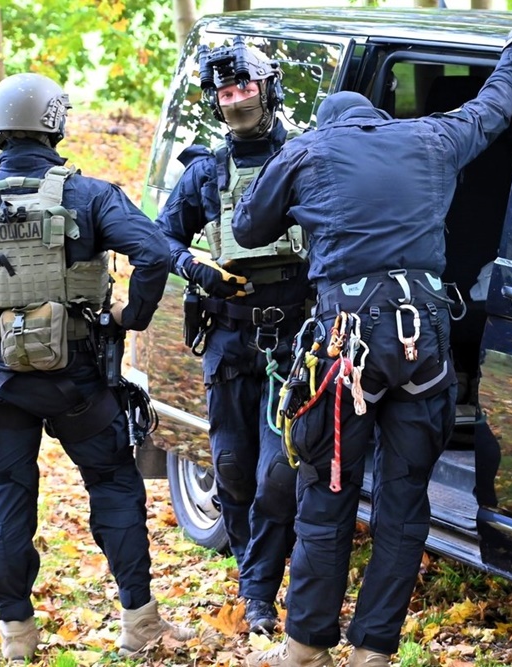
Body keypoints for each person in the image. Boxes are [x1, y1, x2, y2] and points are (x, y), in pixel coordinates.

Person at [233, 16, 512, 667]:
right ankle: (373, 652)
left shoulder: (306, 151)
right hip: (424, 347)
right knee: (405, 506)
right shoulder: (431, 137)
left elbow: (246, 228)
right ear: (378, 117)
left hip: (343, 349)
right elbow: (494, 109)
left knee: (327, 497)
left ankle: (305, 646)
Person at [0, 72, 190, 662]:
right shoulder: (89, 195)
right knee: (114, 484)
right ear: (55, 122)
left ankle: (17, 635)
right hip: (79, 381)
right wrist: (128, 318)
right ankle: (139, 623)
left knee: (8, 495)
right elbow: (155, 252)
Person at [155, 40, 312, 635]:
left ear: (267, 87)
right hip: (227, 343)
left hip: (294, 344)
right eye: (224, 90)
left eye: (244, 85)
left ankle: (258, 593)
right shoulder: (205, 173)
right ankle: (254, 581)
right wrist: (192, 267)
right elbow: (156, 240)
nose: (235, 96)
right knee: (232, 468)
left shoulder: (302, 159)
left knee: (278, 476)